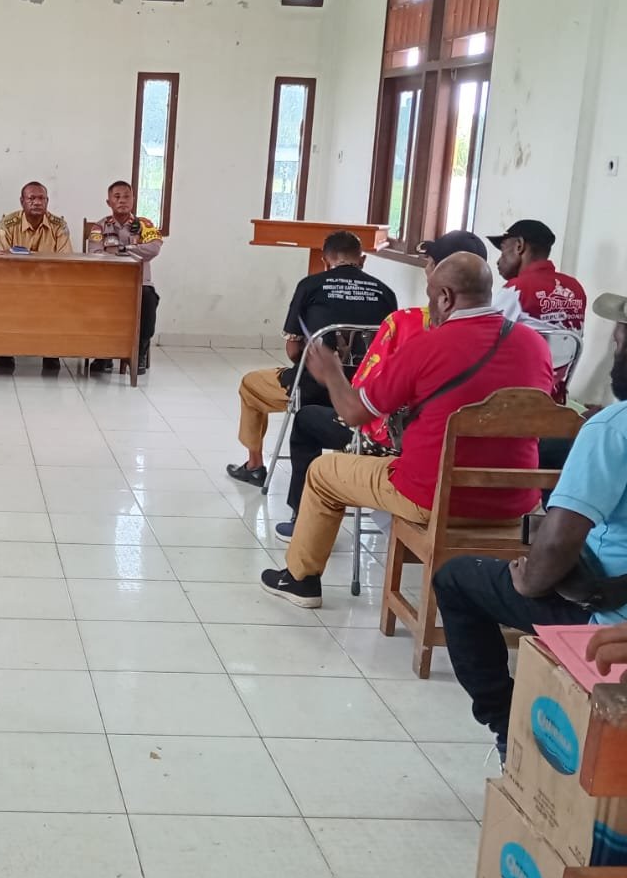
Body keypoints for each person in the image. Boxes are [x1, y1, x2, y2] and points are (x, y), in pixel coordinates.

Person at [261, 253, 553, 609]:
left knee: (324, 472)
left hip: (434, 497)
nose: (430, 308)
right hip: (517, 503)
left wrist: (332, 374)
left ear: (445, 297)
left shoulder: (427, 346)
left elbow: (354, 413)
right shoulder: (535, 345)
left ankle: (300, 581)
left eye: (431, 297)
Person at [434, 292, 627, 762]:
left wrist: (530, 580)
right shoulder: (535, 345)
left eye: (620, 337)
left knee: (455, 579)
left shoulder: (613, 428)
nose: (615, 345)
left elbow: (559, 542)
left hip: (607, 616)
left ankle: (507, 726)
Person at [279, 230, 489, 539]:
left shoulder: (409, 326)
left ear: (442, 286)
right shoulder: (527, 342)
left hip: (407, 460)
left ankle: (301, 533)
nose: (426, 269)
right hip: (491, 484)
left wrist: (332, 373)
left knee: (308, 425)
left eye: (429, 263)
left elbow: (359, 405)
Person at [226, 230, 397, 488]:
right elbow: (388, 349)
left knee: (250, 384)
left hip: (313, 388)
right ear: (362, 260)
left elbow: (294, 350)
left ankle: (254, 465)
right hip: (364, 394)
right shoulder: (386, 292)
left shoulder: (311, 285)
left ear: (325, 261)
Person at [491, 218, 587, 403]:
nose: (498, 261)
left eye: (503, 251)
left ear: (519, 246)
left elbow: (485, 343)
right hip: (554, 395)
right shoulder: (575, 288)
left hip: (514, 395)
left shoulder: (516, 289)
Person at [0, 182, 72, 374]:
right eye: (31, 198)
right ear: (22, 201)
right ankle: (4, 351)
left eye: (41, 198)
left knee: (59, 297)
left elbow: (65, 261)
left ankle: (51, 352)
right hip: (14, 282)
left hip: (48, 283)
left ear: (47, 201)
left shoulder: (59, 226)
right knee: (2, 296)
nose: (37, 202)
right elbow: (1, 262)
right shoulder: (7, 225)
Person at [87, 181, 164, 375]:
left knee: (149, 300)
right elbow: (96, 253)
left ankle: (140, 352)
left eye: (126, 196)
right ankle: (103, 355)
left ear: (133, 199)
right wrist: (136, 251)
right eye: (117, 197)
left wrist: (122, 249)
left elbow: (153, 249)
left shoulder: (144, 224)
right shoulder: (99, 226)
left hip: (139, 283)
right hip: (110, 284)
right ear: (109, 202)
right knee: (95, 301)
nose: (122, 200)